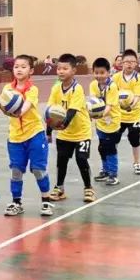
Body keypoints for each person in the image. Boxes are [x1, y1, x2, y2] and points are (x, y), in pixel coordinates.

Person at [0, 54, 54, 217]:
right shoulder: (7, 88)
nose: (19, 69)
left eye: (23, 66)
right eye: (16, 66)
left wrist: (18, 112)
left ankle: (46, 201)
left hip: (34, 134)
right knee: (16, 170)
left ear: (31, 70)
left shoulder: (32, 89)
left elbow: (26, 106)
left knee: (38, 169)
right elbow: (0, 100)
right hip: (15, 137)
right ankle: (16, 202)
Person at [46, 53, 95, 203]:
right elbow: (50, 110)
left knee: (81, 160)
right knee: (61, 162)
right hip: (64, 134)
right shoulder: (56, 89)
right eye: (59, 68)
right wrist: (49, 131)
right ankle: (59, 188)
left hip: (81, 132)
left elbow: (72, 111)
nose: (61, 71)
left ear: (74, 70)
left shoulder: (77, 89)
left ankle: (88, 188)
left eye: (65, 68)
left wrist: (62, 125)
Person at [89, 57, 122, 186]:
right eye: (96, 72)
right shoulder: (93, 85)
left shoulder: (112, 87)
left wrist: (98, 114)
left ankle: (113, 174)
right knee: (101, 147)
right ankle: (105, 170)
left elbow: (109, 106)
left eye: (102, 72)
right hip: (100, 123)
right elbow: (93, 102)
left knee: (110, 148)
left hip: (112, 122)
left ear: (108, 72)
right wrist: (91, 113)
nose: (99, 75)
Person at [112, 49, 140, 175]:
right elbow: (111, 94)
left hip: (134, 115)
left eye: (132, 61)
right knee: (114, 140)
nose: (129, 64)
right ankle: (111, 164)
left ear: (136, 63)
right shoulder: (115, 77)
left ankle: (137, 162)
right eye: (126, 61)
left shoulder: (138, 78)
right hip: (119, 116)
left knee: (135, 140)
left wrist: (129, 105)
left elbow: (138, 97)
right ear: (122, 63)